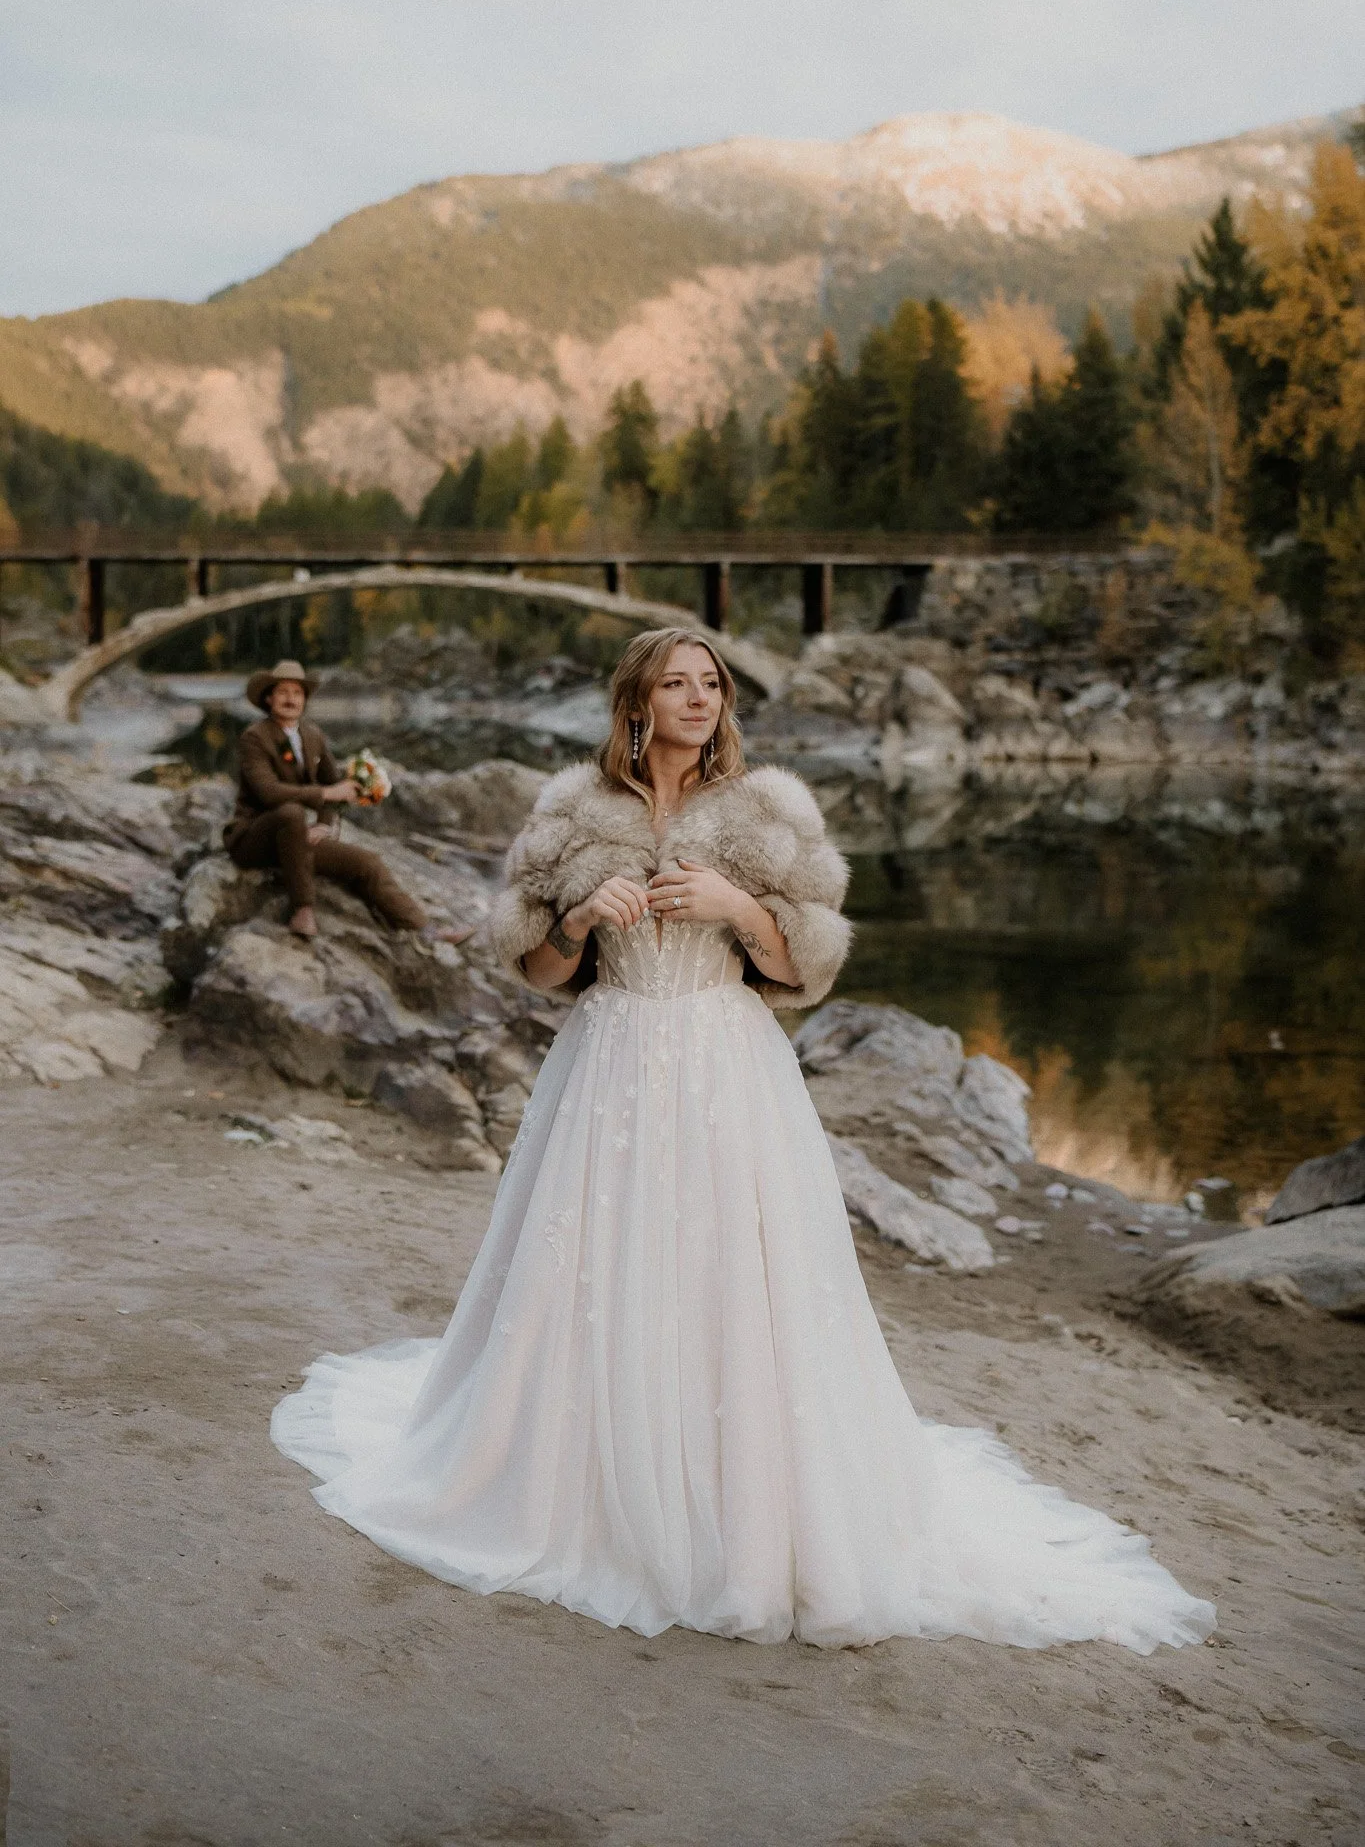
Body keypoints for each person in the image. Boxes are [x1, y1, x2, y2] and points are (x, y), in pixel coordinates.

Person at [271, 629, 1214, 1653]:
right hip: (612, 1063)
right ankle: (579, 1486)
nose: (698, 698)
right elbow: (537, 972)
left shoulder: (770, 811)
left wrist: (741, 906)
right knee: (591, 1272)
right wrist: (581, 918)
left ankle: (747, 1505)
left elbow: (803, 970)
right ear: (634, 702)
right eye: (674, 683)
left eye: (710, 682)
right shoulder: (573, 811)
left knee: (736, 1278)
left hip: (729, 1062)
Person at [224, 658, 459, 943]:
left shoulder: (312, 735)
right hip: (253, 839)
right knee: (291, 813)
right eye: (283, 692)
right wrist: (325, 795)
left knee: (366, 862)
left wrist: (324, 824)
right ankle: (302, 910)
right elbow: (269, 792)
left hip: (293, 841)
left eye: (297, 693)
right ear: (269, 698)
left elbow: (334, 782)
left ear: (305, 700)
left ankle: (425, 929)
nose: (290, 699)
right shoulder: (255, 737)